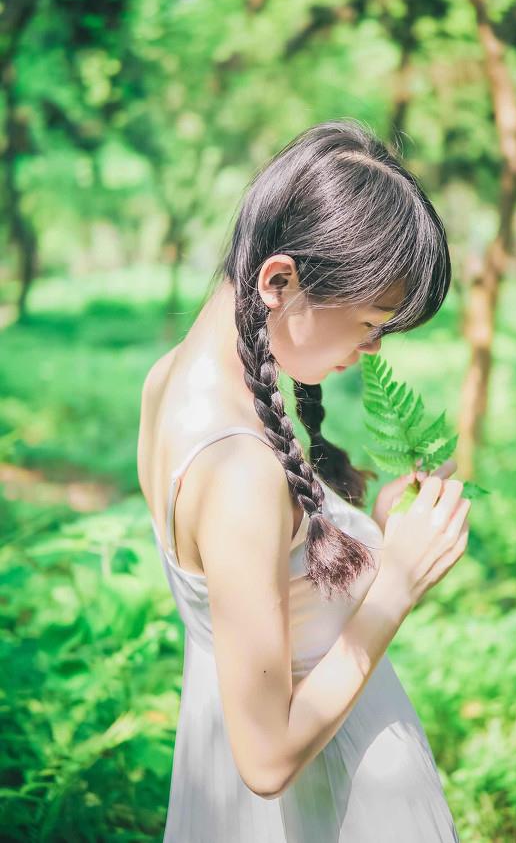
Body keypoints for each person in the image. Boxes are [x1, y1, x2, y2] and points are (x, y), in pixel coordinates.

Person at [137, 118, 471, 842]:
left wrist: (374, 525)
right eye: (371, 323)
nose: (374, 348)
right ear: (279, 280)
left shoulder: (170, 380)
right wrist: (399, 581)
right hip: (328, 799)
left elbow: (268, 583)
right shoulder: (240, 471)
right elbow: (265, 758)